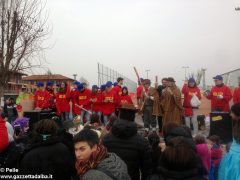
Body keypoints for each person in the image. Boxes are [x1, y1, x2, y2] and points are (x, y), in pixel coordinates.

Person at [219, 103, 240, 180]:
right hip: (232, 155)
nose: (230, 114)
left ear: (237, 113)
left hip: (236, 158)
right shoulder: (237, 123)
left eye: (232, 112)